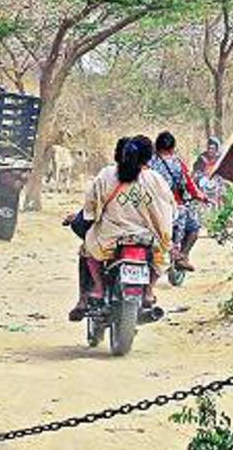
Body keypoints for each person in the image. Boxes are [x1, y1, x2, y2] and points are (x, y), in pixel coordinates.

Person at [68, 136, 174, 321]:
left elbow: (90, 209)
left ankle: (99, 288)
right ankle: (149, 290)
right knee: (162, 255)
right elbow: (169, 210)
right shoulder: (157, 180)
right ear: (148, 157)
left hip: (110, 238)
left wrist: (91, 217)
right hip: (147, 240)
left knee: (88, 248)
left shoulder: (107, 175)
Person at [149, 131, 208, 272]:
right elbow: (190, 185)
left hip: (150, 206)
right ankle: (182, 256)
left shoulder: (148, 162)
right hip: (174, 207)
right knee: (194, 227)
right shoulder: (177, 163)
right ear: (173, 147)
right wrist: (202, 197)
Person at [192, 137, 226, 209]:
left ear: (216, 149)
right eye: (209, 148)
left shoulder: (220, 158)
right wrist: (199, 176)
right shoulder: (202, 158)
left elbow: (226, 170)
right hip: (204, 181)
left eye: (212, 149)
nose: (210, 150)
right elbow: (196, 171)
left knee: (224, 190)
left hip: (218, 180)